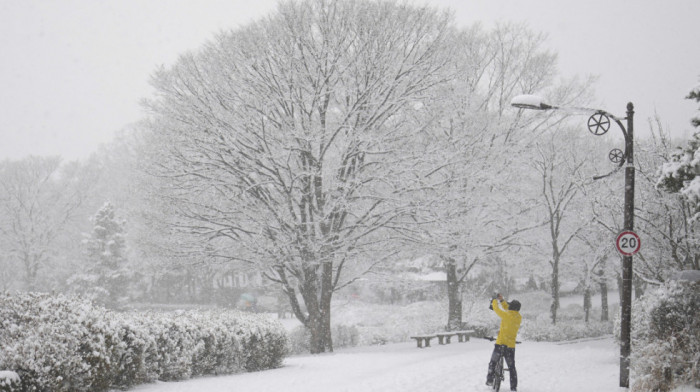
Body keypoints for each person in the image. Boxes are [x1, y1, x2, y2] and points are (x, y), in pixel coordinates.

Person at [486, 293, 522, 391]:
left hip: (500, 344)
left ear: (511, 308)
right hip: (510, 346)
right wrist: (502, 301)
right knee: (511, 367)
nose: (508, 306)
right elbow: (508, 309)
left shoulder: (506, 315)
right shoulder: (518, 317)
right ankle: (513, 387)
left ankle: (489, 379)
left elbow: (496, 309)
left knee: (493, 362)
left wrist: (494, 300)